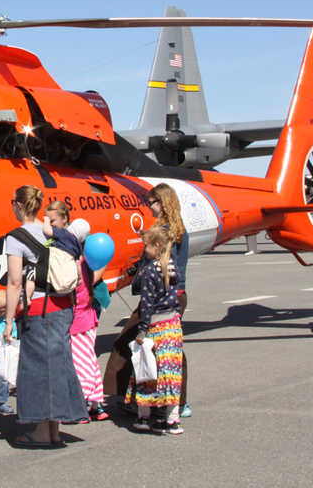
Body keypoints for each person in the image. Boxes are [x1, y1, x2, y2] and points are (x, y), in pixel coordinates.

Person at [3, 185, 87, 447]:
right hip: (63, 306)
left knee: (38, 369)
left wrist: (7, 321)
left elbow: (15, 282)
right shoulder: (54, 231)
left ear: (18, 205)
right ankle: (54, 429)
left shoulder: (16, 237)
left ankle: (40, 432)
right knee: (58, 365)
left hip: (39, 309)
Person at [42, 202, 109, 423]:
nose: (48, 225)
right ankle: (96, 405)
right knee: (89, 360)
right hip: (88, 316)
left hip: (79, 319)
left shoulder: (72, 260)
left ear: (64, 221)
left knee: (79, 363)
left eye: (52, 221)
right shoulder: (84, 257)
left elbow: (70, 288)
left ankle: (81, 405)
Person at [130, 225, 184, 435]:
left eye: (147, 246)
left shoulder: (151, 270)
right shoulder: (173, 266)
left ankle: (144, 416)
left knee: (148, 370)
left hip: (156, 325)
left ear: (157, 246)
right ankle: (172, 420)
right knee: (170, 371)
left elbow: (147, 303)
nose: (145, 250)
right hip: (173, 323)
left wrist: (142, 330)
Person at [149, 183, 192, 417]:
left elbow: (165, 266)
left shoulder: (165, 231)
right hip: (176, 293)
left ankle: (168, 401)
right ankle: (176, 401)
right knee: (171, 348)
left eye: (153, 203)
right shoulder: (179, 229)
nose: (150, 207)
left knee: (159, 348)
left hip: (165, 295)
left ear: (163, 204)